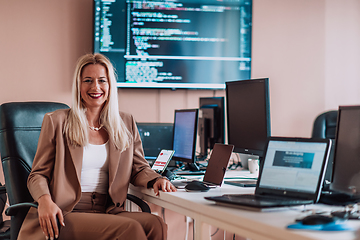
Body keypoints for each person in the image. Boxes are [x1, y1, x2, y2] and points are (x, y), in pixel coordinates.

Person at [18, 53, 177, 240]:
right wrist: (44, 200)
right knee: (129, 229)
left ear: (110, 85)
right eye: (88, 80)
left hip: (106, 208)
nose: (96, 87)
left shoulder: (125, 122)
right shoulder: (57, 122)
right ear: (78, 85)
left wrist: (155, 179)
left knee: (155, 224)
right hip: (66, 211)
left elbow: (138, 167)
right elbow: (37, 175)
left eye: (102, 80)